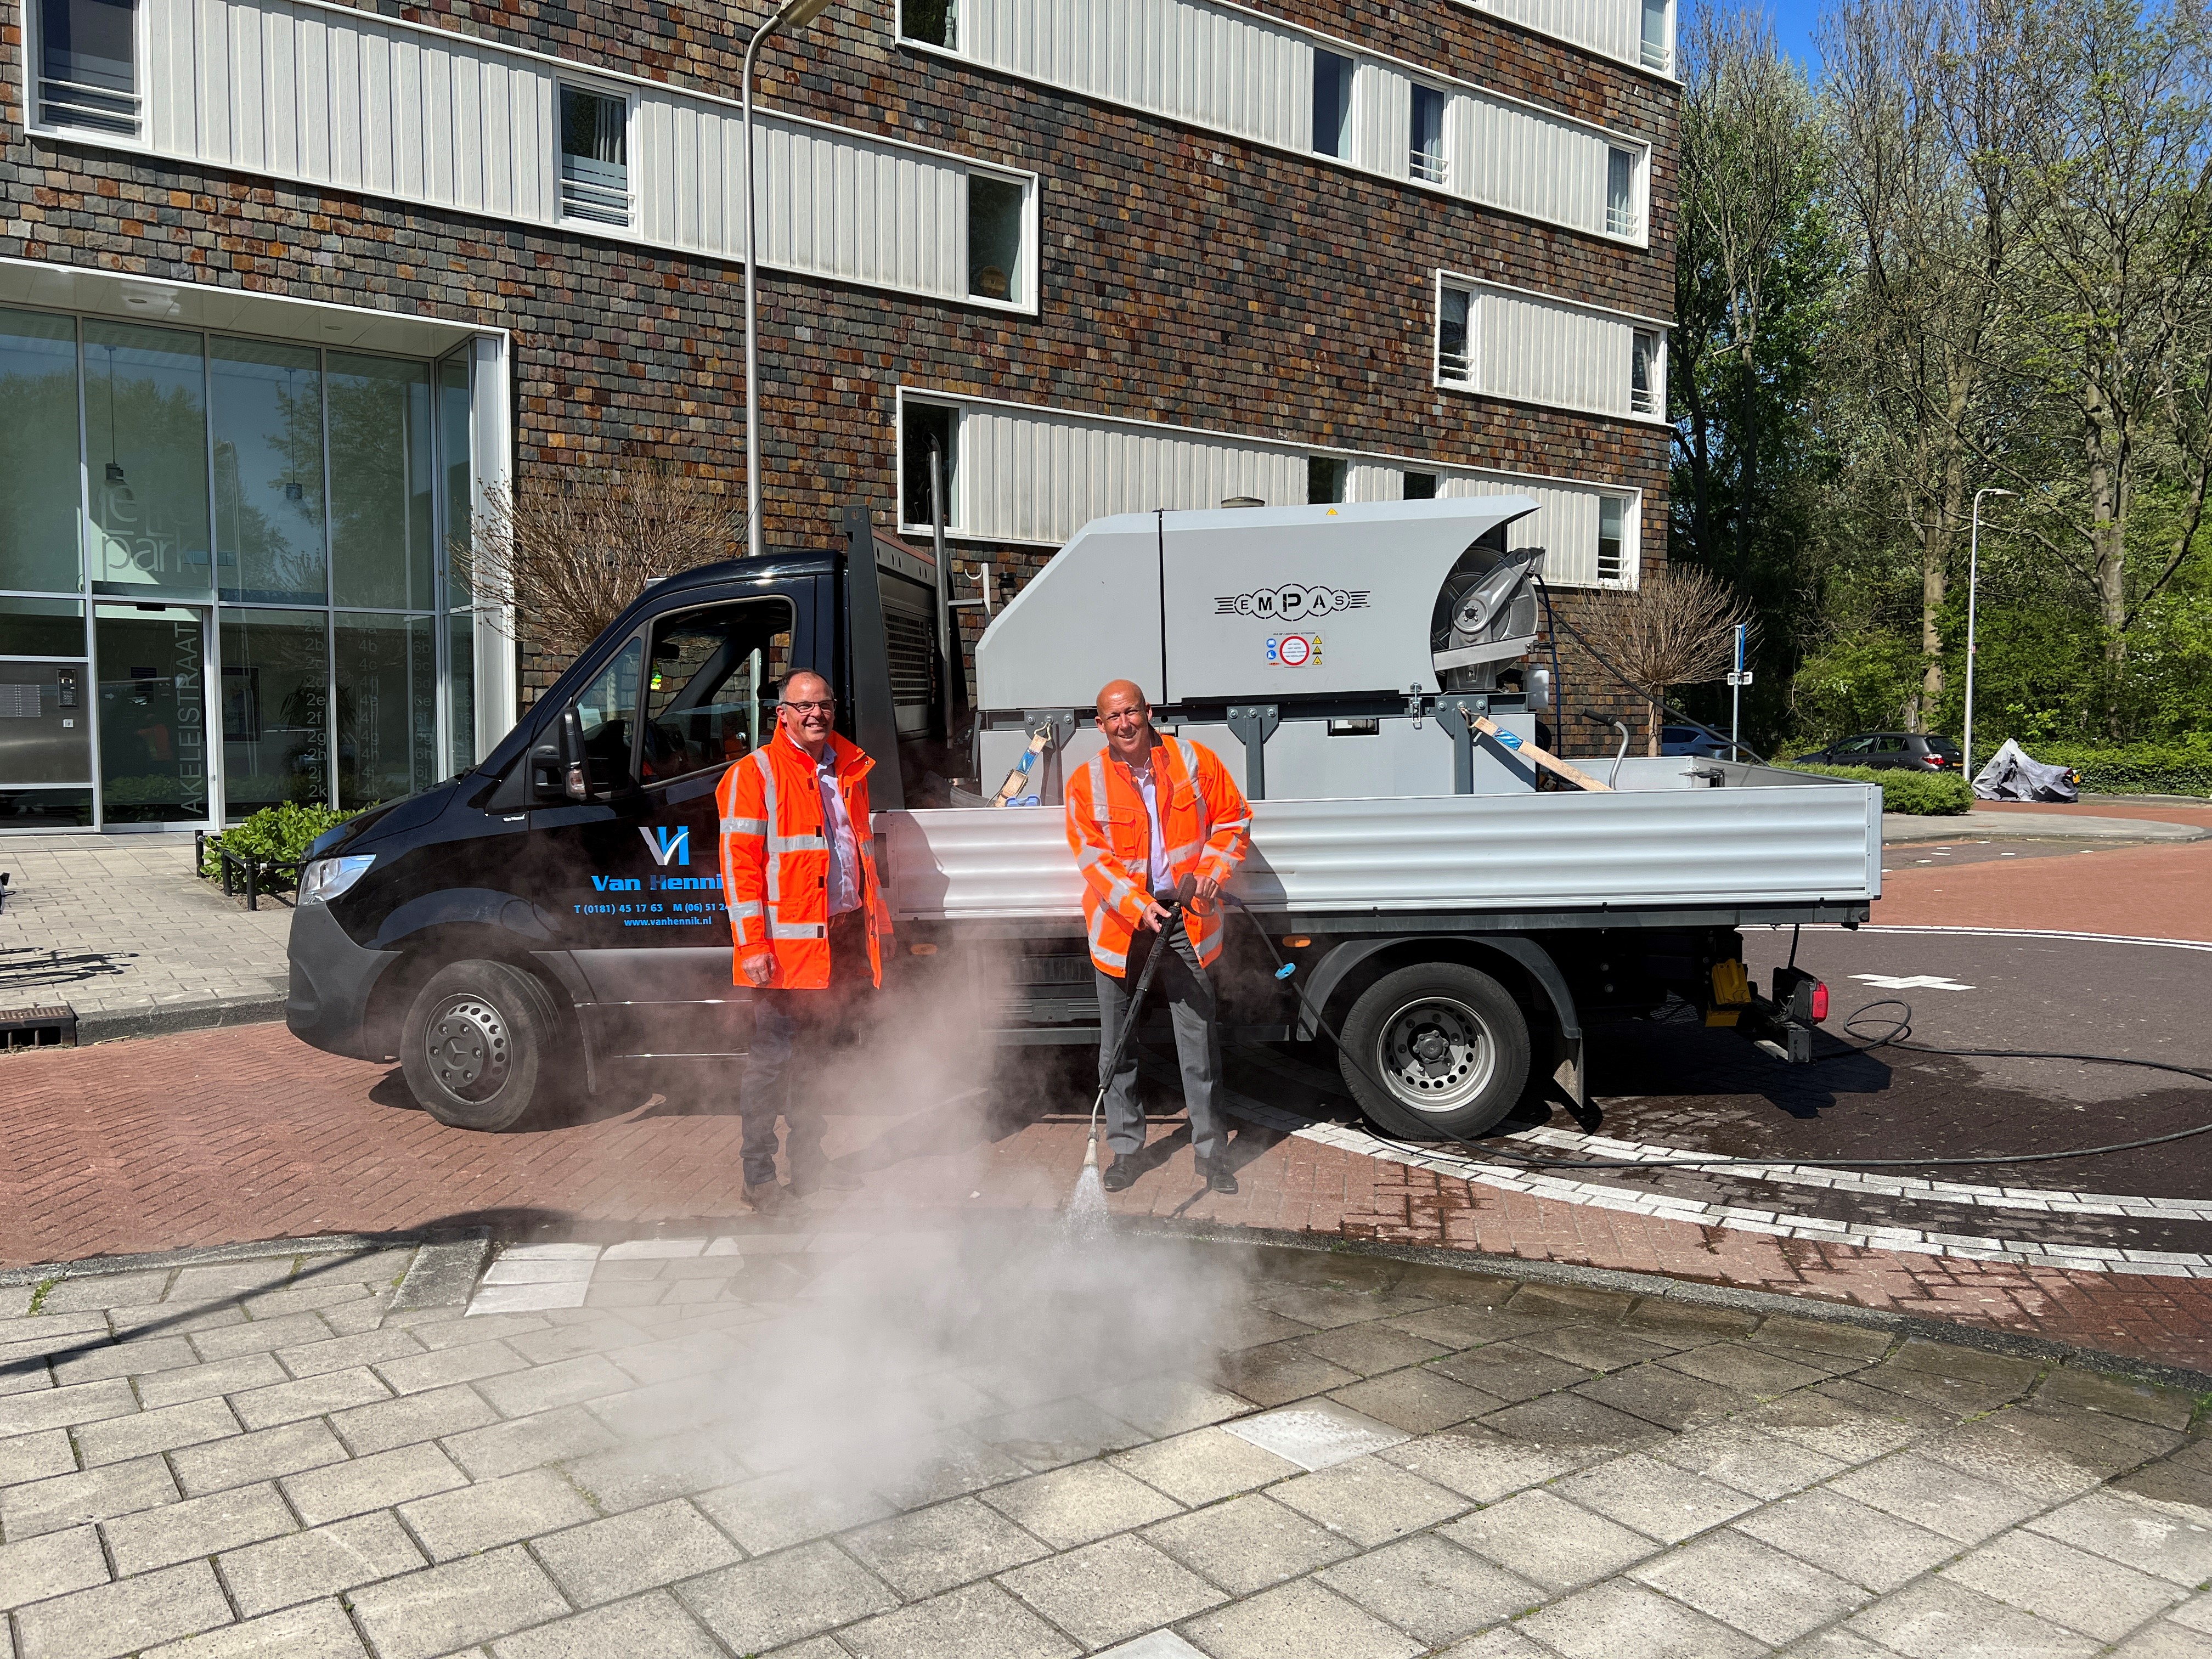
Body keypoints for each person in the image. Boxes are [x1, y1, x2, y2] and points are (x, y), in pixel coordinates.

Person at [1065, 679, 1252, 1194]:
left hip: (1186, 920)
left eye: (1132, 712)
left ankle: (1212, 1156)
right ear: (1099, 725)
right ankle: (1126, 1151)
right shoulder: (1087, 781)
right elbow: (1092, 859)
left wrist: (1214, 871)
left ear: (1148, 713)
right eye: (1112, 716)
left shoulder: (1194, 759)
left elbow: (1233, 821)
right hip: (1124, 926)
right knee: (1119, 1047)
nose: (1124, 723)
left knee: (1199, 1044)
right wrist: (1138, 904)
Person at [718, 669, 893, 1213]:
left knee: (817, 1060)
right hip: (782, 952)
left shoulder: (848, 769)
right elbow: (738, 869)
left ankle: (812, 1167)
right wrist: (753, 949)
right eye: (804, 705)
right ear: (782, 713)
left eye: (825, 705)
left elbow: (855, 857)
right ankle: (758, 1177)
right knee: (772, 1064)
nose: (816, 714)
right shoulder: (757, 773)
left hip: (837, 941)